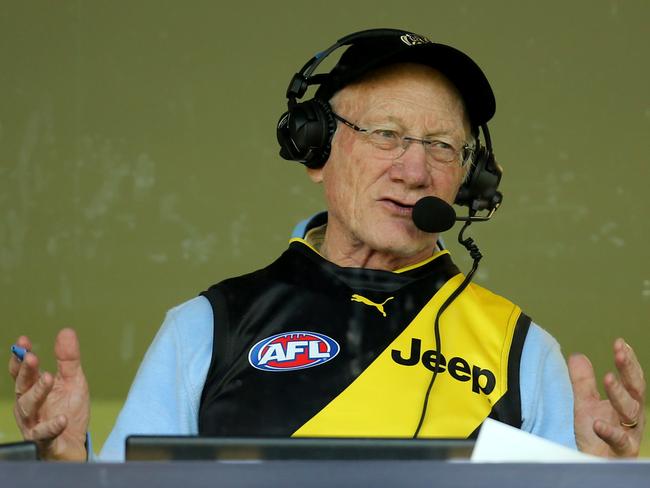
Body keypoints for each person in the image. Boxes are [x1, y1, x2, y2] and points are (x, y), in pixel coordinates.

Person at [8, 29, 646, 461]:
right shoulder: (207, 327)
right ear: (316, 149)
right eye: (387, 133)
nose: (415, 170)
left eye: (442, 146)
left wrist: (597, 478)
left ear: (470, 179)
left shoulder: (524, 353)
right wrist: (69, 471)